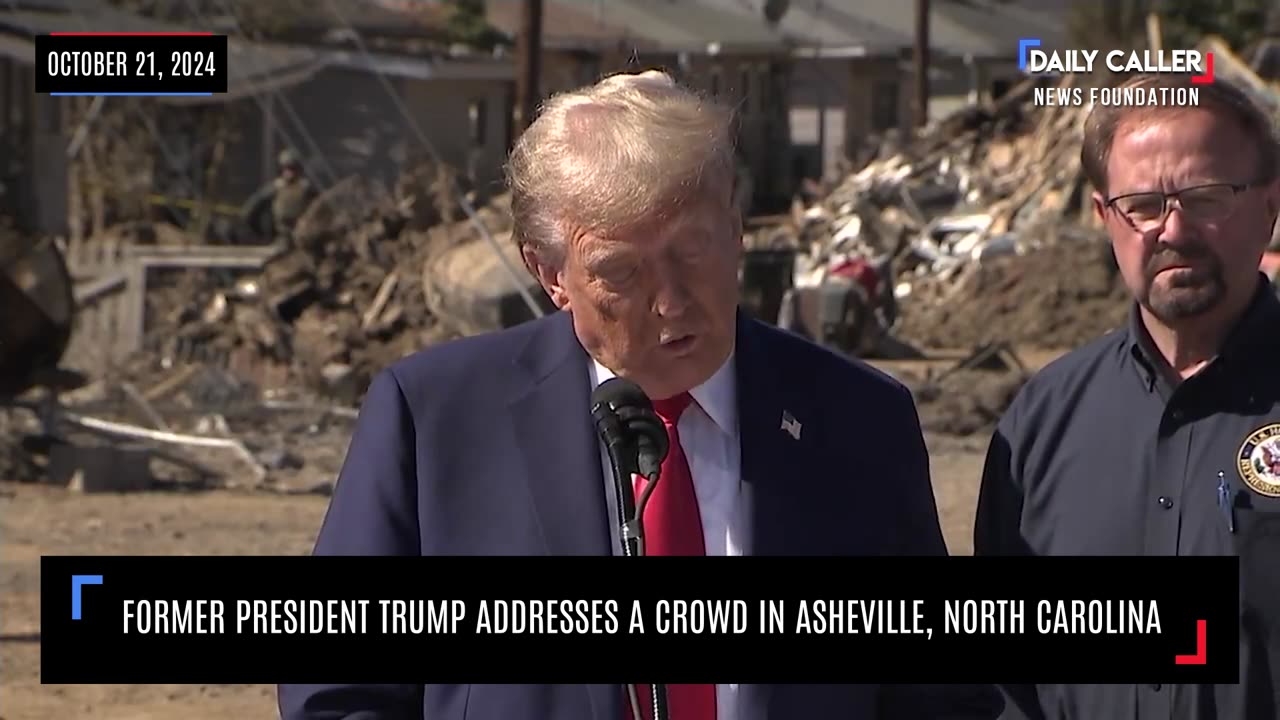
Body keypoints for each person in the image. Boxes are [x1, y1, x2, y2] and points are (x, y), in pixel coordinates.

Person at [279, 70, 1001, 720]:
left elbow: (936, 698)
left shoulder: (857, 421)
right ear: (551, 273)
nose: (672, 302)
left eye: (693, 251)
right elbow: (337, 694)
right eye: (622, 272)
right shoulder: (434, 420)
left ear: (737, 228)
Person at [973, 72, 1280, 719]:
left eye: (1204, 197)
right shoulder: (1040, 425)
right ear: (1103, 217)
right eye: (1141, 204)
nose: (1172, 229)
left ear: (1269, 206)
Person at [240, 148, 316, 244]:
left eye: (294, 168)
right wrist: (263, 235)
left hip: (303, 239)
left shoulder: (307, 190)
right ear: (281, 169)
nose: (290, 173)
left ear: (300, 169)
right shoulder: (274, 189)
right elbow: (249, 213)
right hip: (281, 239)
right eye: (287, 168)